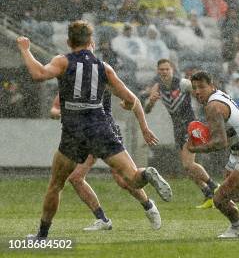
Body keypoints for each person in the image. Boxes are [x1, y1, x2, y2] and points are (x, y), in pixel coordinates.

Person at [17, 20, 172, 240]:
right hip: (101, 127)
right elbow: (130, 99)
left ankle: (42, 235)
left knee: (56, 184)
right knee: (132, 177)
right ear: (92, 41)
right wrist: (129, 108)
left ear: (69, 41)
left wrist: (25, 50)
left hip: (74, 131)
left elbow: (38, 74)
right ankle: (147, 173)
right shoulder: (104, 67)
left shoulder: (63, 61)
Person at [50, 91, 162, 231]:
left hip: (105, 132)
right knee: (76, 178)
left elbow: (134, 101)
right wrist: (60, 114)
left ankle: (149, 206)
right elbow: (55, 108)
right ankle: (102, 219)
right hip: (85, 134)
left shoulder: (102, 74)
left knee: (123, 180)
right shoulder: (71, 78)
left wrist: (143, 127)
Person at [187, 71, 239, 238]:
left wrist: (195, 149)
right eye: (194, 88)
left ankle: (238, 228)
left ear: (212, 86)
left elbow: (220, 143)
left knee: (219, 199)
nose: (197, 91)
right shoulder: (218, 95)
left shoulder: (212, 106)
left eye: (201, 87)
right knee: (233, 194)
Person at [144, 59, 218, 208]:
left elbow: (203, 94)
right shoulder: (157, 87)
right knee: (187, 168)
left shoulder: (183, 83)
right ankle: (208, 194)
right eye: (161, 70)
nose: (164, 72)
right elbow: (147, 109)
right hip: (177, 128)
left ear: (173, 70)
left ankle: (215, 187)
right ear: (158, 71)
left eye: (167, 69)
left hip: (190, 125)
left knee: (188, 164)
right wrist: (151, 101)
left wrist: (210, 110)